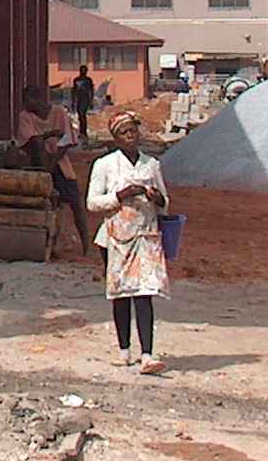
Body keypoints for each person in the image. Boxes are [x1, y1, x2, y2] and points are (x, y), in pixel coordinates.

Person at [84, 108, 171, 373]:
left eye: (133, 131)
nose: (130, 136)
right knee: (121, 295)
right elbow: (92, 203)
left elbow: (165, 204)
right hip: (115, 238)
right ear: (116, 138)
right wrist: (120, 195)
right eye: (124, 133)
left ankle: (147, 353)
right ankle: (124, 349)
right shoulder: (105, 165)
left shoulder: (151, 165)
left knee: (145, 294)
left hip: (146, 236)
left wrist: (156, 198)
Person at [16, 82, 91, 251]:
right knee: (49, 206)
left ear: (37, 99)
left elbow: (67, 141)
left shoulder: (58, 112)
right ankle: (46, 243)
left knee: (75, 203)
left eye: (27, 100)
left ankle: (86, 245)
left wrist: (53, 160)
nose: (25, 105)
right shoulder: (25, 116)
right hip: (37, 165)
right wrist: (50, 135)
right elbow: (31, 142)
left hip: (59, 163)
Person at [69, 66, 97, 142]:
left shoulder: (88, 80)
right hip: (79, 99)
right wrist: (73, 101)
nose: (83, 72)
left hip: (85, 99)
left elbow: (91, 91)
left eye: (85, 70)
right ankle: (82, 132)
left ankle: (83, 132)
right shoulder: (76, 80)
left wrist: (91, 101)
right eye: (82, 70)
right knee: (80, 116)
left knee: (82, 115)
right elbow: (74, 91)